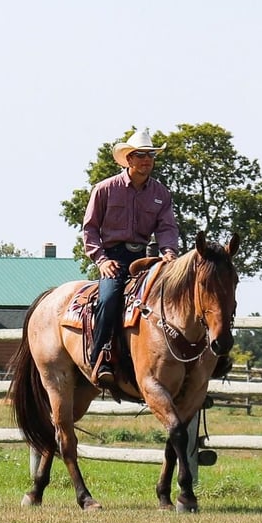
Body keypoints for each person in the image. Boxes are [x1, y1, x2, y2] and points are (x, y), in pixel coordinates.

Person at [82, 128, 179, 387]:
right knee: (109, 298)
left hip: (146, 257)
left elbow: (167, 228)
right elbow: (90, 228)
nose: (147, 160)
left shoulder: (161, 193)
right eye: (140, 155)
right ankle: (100, 356)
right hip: (113, 257)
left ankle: (186, 362)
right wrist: (102, 260)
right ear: (128, 159)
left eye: (151, 155)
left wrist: (168, 252)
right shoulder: (105, 189)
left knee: (178, 296)